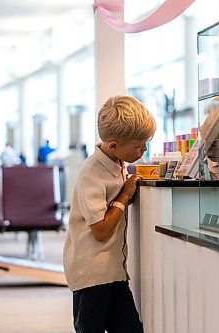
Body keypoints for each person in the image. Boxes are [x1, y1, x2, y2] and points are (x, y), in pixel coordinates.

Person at [63, 95, 156, 333]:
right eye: (139, 145)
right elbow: (100, 230)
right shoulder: (91, 174)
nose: (144, 150)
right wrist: (124, 196)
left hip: (114, 272)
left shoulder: (116, 162)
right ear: (114, 145)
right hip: (91, 275)